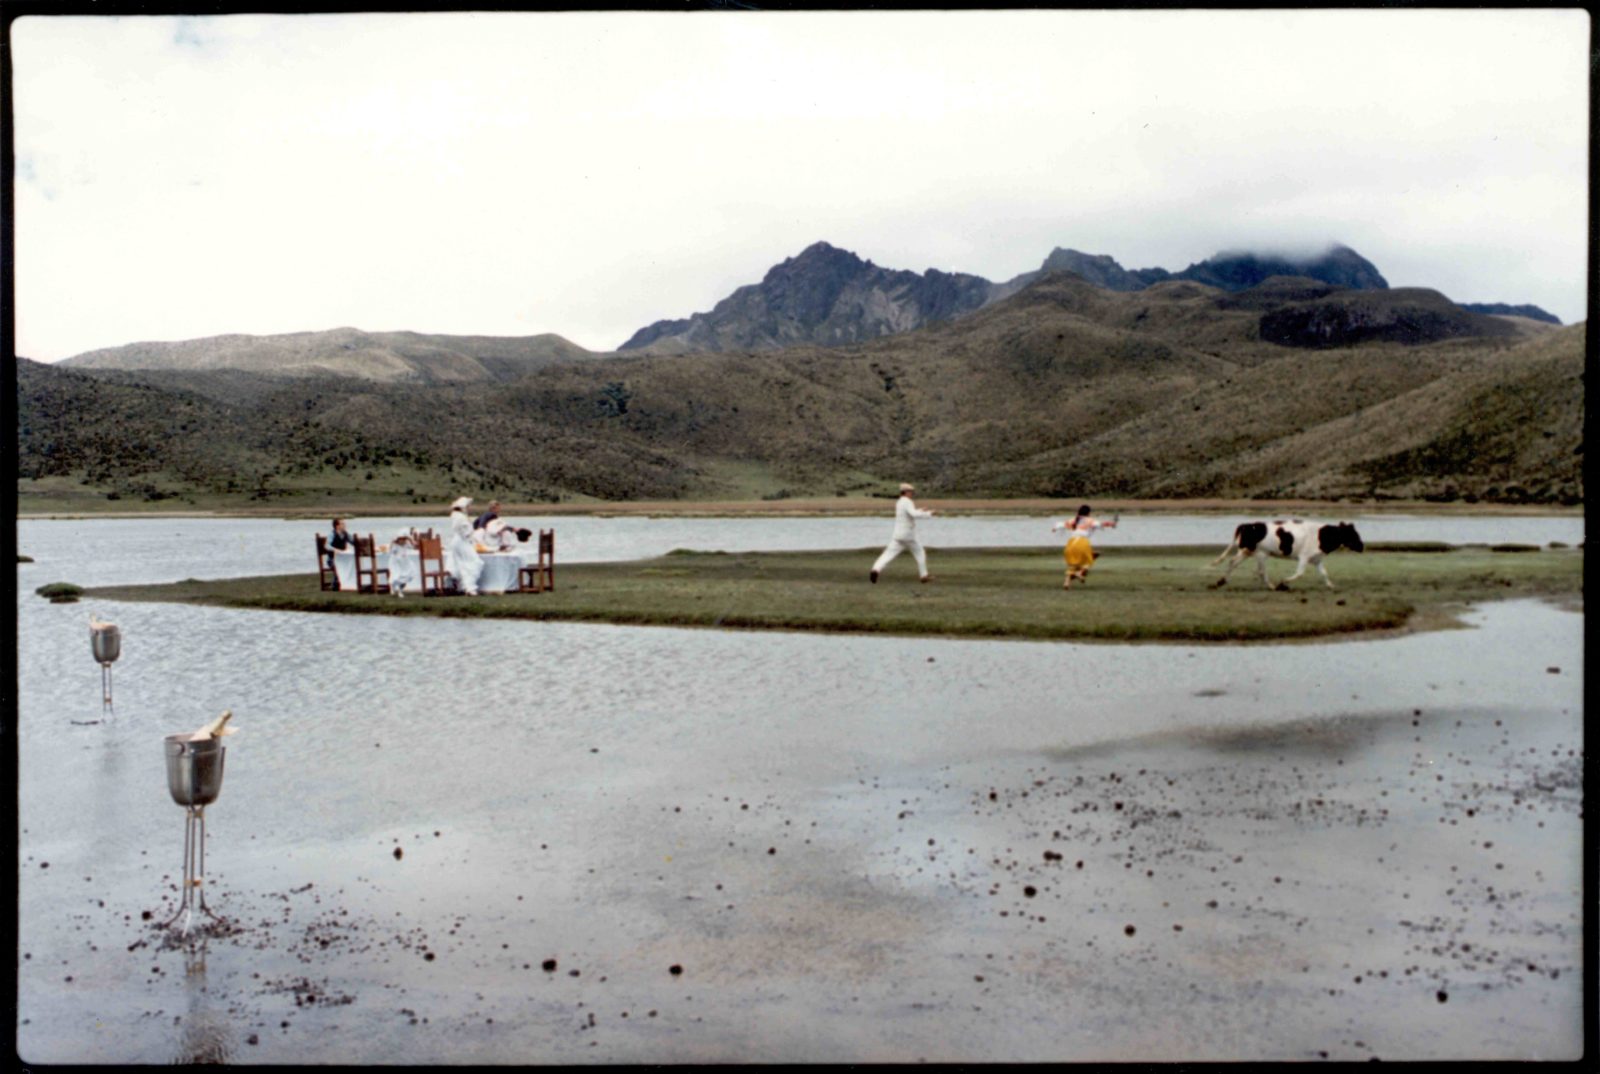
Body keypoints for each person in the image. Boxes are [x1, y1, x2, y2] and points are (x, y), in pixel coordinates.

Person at [870, 482, 936, 584]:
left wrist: (919, 510)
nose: (912, 494)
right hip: (908, 535)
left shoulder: (899, 502)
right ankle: (924, 575)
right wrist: (928, 514)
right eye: (910, 492)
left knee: (887, 554)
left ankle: (875, 569)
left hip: (897, 535)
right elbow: (913, 514)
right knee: (920, 553)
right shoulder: (908, 502)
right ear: (905, 492)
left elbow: (908, 513)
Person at [1052, 504, 1118, 589]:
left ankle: (1067, 582)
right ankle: (1079, 573)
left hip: (1071, 543)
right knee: (1089, 560)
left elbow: (1059, 525)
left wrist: (1054, 529)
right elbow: (1102, 524)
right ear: (1088, 513)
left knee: (1073, 565)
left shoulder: (1073, 520)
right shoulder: (1090, 520)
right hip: (1082, 542)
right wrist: (1112, 524)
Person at [447, 496, 483, 596]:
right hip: (462, 541)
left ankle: (466, 586)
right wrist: (474, 534)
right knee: (474, 562)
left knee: (463, 564)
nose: (470, 508)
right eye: (468, 506)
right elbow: (465, 532)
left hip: (458, 541)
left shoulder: (456, 516)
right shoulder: (460, 517)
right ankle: (469, 587)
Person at [387, 530, 420, 598]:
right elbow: (390, 552)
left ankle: (400, 589)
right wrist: (391, 543)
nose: (403, 541)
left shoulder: (406, 544)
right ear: (398, 539)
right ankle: (396, 589)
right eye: (401, 539)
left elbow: (414, 546)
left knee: (408, 574)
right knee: (397, 576)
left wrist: (411, 539)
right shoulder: (395, 545)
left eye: (404, 539)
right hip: (396, 563)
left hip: (405, 562)